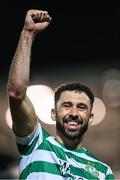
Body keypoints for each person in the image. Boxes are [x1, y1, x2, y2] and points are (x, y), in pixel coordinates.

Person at [7, 9, 115, 180]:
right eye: (66, 106)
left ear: (91, 117)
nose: (73, 113)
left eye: (81, 107)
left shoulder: (103, 172)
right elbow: (16, 92)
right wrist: (28, 34)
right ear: (53, 113)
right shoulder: (36, 143)